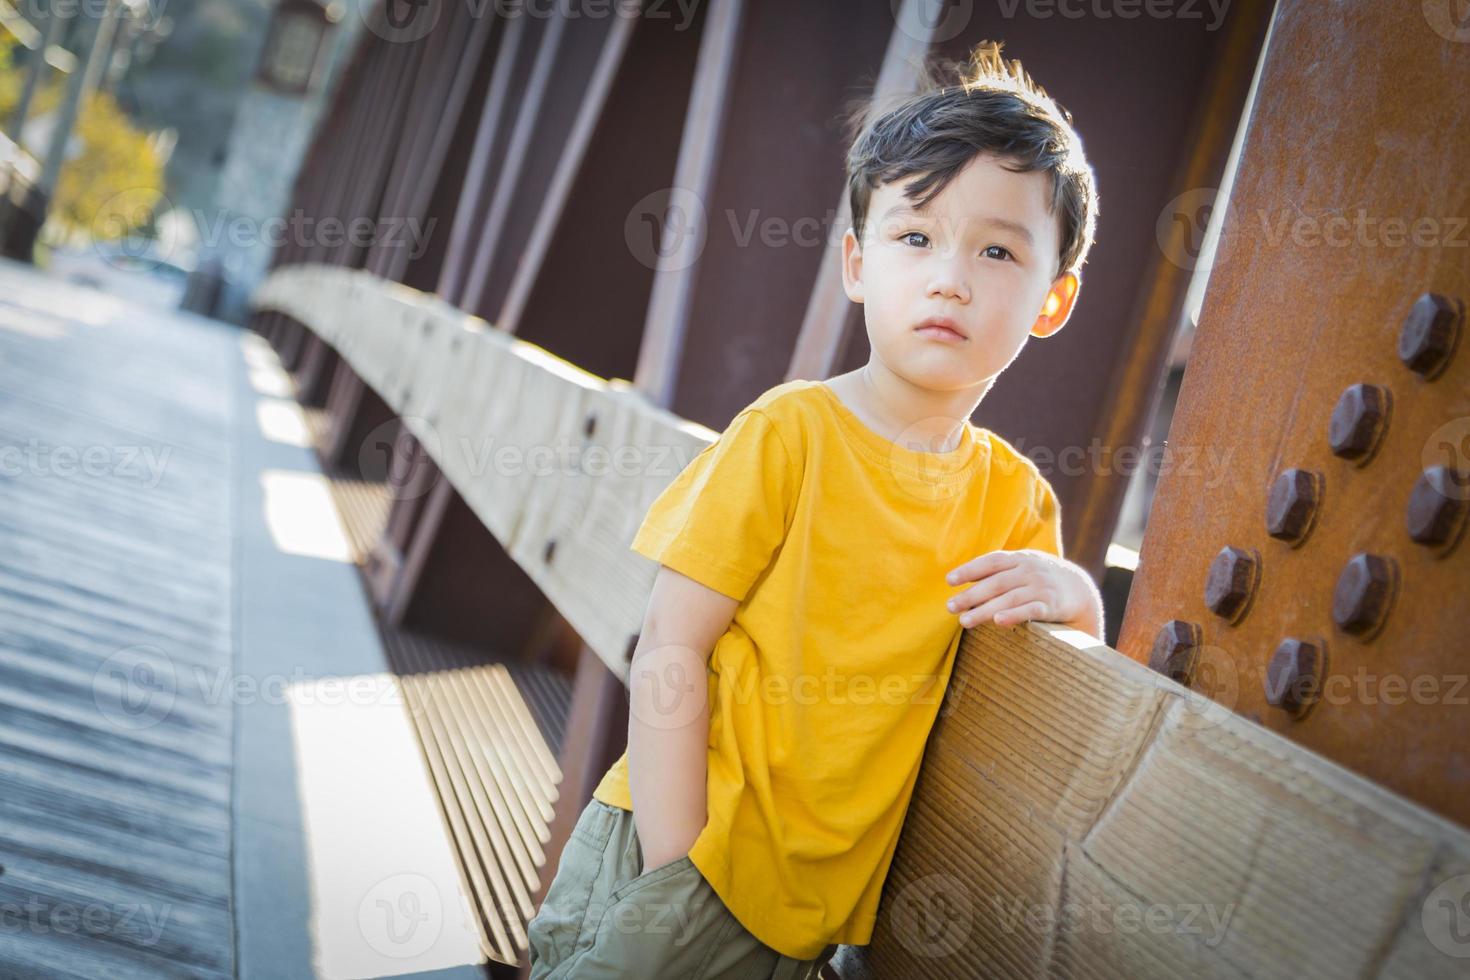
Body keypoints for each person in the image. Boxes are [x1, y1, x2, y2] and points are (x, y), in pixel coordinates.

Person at [527, 38, 1104, 979]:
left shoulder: (1013, 501)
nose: (950, 276)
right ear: (856, 263)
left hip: (805, 923)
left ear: (1053, 299)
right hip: (689, 858)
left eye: (998, 250)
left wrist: (1074, 597)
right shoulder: (792, 432)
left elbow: (1052, 682)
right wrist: (679, 861)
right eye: (914, 238)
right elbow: (673, 642)